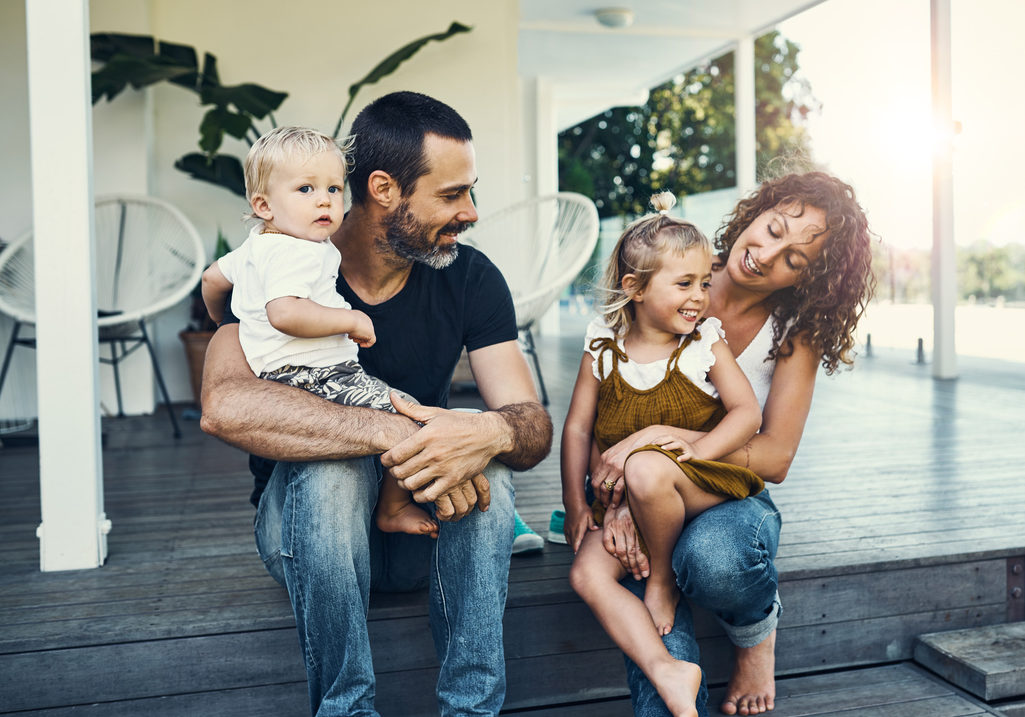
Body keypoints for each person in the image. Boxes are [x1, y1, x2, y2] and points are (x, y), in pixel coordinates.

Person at [199, 91, 553, 716]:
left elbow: (530, 425)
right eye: (452, 195)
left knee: (485, 455)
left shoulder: (470, 277)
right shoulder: (276, 262)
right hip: (307, 537)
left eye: (472, 191)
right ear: (385, 188)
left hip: (425, 528)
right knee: (333, 468)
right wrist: (387, 431)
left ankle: (471, 710)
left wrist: (488, 435)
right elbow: (225, 406)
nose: (470, 213)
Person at [587, 171, 874, 716]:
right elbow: (602, 407)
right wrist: (616, 501)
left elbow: (775, 458)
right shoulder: (672, 269)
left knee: (715, 558)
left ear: (809, 280)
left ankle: (756, 628)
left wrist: (662, 445)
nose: (767, 255)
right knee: (634, 560)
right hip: (639, 482)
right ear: (754, 213)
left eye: (794, 258)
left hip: (731, 493)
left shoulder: (793, 332)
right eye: (771, 229)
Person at [563, 192, 764, 717]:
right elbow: (578, 428)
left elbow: (746, 415)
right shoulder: (603, 344)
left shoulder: (703, 344)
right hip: (627, 495)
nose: (700, 296)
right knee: (586, 575)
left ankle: (661, 581)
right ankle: (666, 668)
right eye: (684, 284)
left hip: (700, 487)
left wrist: (692, 455)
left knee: (647, 467)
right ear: (633, 288)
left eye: (704, 282)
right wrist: (579, 504)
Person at [201, 125, 437, 539]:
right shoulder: (299, 251)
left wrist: (229, 320)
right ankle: (393, 507)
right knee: (412, 416)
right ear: (264, 204)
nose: (325, 199)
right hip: (318, 375)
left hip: (279, 378)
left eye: (333, 187)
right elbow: (285, 314)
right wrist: (352, 320)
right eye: (305, 189)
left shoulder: (257, 245)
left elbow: (210, 281)